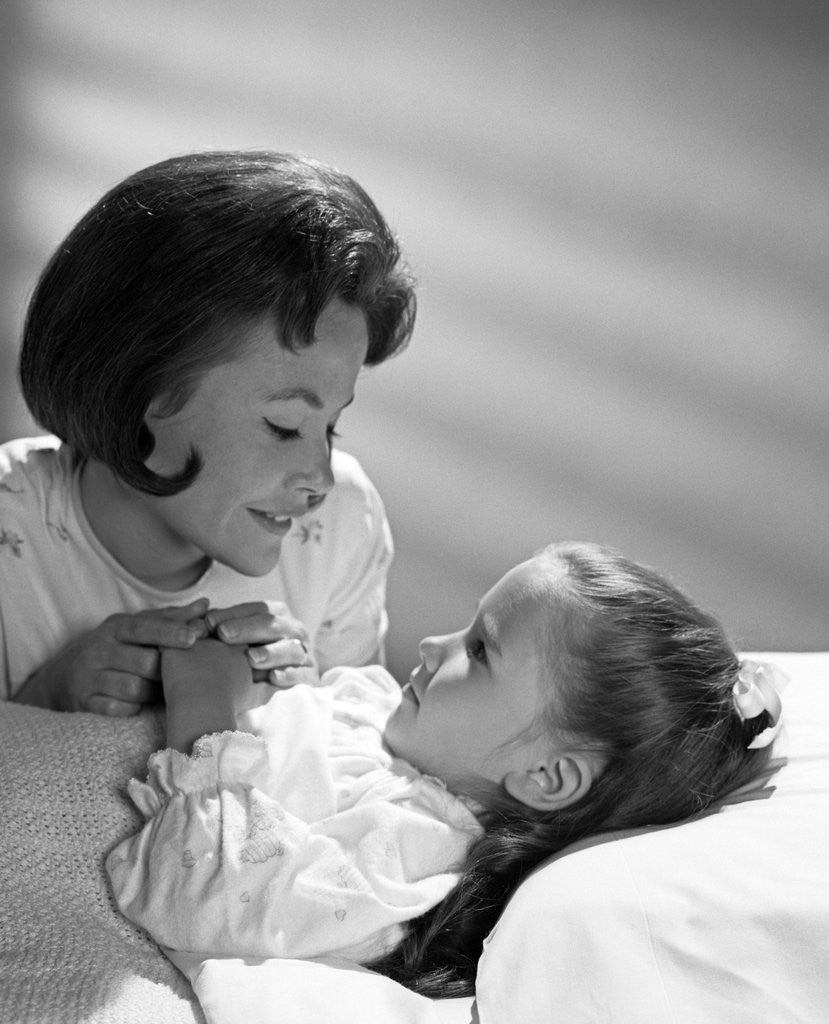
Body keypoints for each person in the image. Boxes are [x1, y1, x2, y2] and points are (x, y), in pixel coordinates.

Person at [105, 541, 786, 997]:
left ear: (546, 777)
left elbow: (209, 901)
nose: (433, 644)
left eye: (480, 650)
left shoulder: (411, 850)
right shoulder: (386, 716)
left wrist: (205, 705)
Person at [0, 149, 416, 715]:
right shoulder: (12, 537)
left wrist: (312, 707)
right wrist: (47, 695)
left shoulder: (342, 523)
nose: (319, 479)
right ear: (141, 390)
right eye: (285, 426)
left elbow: (367, 754)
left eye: (332, 427)